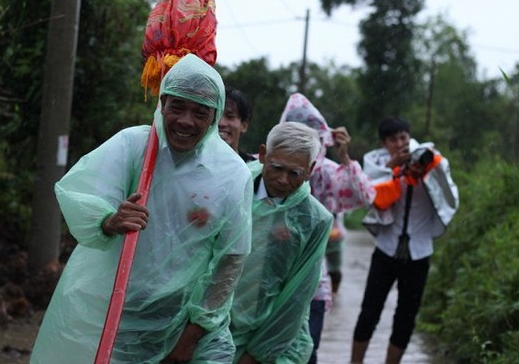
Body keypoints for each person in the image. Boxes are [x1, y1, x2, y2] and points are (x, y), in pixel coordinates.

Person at [31, 54, 254, 364]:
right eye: (177, 107)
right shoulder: (133, 146)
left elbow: (230, 260)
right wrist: (110, 220)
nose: (186, 121)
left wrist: (190, 338)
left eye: (200, 112)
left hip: (190, 325)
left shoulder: (232, 174)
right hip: (118, 315)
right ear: (161, 102)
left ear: (215, 116)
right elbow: (80, 195)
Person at [351, 117, 459, 364]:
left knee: (406, 317)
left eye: (403, 137)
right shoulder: (377, 164)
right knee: (369, 313)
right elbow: (372, 193)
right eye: (393, 139)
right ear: (383, 143)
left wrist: (425, 172)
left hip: (419, 254)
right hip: (386, 250)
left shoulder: (430, 160)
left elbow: (447, 193)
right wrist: (394, 169)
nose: (400, 143)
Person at [280, 92, 376, 364]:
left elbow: (367, 196)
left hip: (312, 286)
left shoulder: (324, 172)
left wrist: (345, 156)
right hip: (271, 283)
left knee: (306, 354)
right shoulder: (269, 167)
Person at [228, 121, 333, 364]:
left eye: (294, 173)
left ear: (310, 169)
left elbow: (297, 296)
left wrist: (256, 355)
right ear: (263, 154)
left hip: (276, 337)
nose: (283, 180)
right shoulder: (233, 185)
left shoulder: (314, 220)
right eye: (277, 168)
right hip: (214, 329)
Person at [219, 86, 255, 162]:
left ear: (244, 125)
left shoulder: (254, 169)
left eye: (230, 117)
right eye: (217, 116)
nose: (221, 123)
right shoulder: (192, 163)